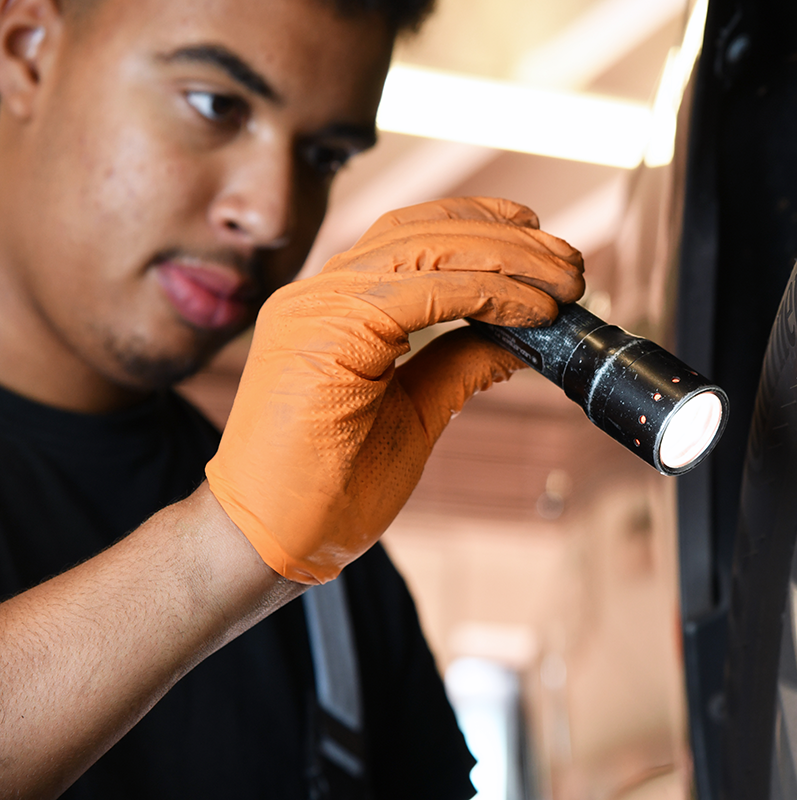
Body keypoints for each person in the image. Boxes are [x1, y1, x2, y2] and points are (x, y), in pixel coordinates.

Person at [0, 0, 585, 797]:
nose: (271, 214)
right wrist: (223, 550)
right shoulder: (264, 536)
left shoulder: (333, 576)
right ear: (26, 51)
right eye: (216, 105)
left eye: (323, 155)